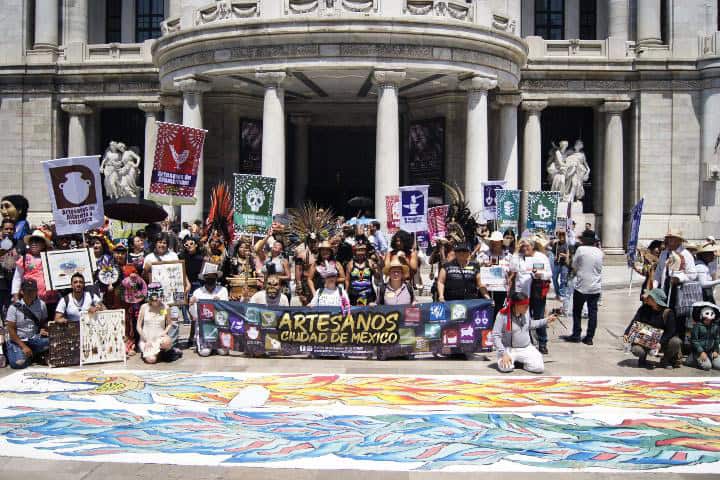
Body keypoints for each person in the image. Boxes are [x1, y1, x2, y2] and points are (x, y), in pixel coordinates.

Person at [492, 292, 558, 374]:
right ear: (516, 305)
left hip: (526, 347)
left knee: (539, 368)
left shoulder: (525, 312)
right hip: (508, 349)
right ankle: (512, 361)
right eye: (525, 306)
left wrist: (546, 320)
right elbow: (495, 336)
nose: (527, 308)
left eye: (527, 306)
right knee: (505, 368)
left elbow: (530, 324)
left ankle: (520, 364)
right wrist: (503, 353)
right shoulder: (502, 315)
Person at [509, 237, 552, 354]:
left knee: (538, 317)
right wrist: (516, 252)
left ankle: (542, 342)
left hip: (538, 291)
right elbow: (512, 268)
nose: (525, 248)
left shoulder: (541, 257)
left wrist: (540, 275)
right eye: (523, 246)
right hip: (523, 292)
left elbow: (549, 274)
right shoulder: (519, 257)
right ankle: (528, 342)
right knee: (524, 318)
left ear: (533, 246)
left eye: (527, 246)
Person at [653, 228, 698, 338]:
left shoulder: (686, 255)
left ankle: (677, 343)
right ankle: (664, 341)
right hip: (665, 288)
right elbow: (659, 272)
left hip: (679, 291)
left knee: (678, 317)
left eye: (672, 239)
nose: (669, 241)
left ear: (679, 241)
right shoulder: (664, 254)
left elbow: (693, 274)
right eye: (668, 239)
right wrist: (654, 287)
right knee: (664, 314)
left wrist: (679, 278)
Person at [624, 288, 682, 369]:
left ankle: (665, 360)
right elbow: (634, 322)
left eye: (650, 297)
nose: (647, 298)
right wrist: (626, 335)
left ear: (655, 300)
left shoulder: (668, 313)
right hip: (644, 339)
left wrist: (660, 343)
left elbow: (671, 331)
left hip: (661, 341)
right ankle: (642, 358)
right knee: (636, 350)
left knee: (676, 341)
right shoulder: (644, 308)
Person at [563, 230, 603, 346]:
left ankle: (576, 334)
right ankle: (589, 337)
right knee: (593, 313)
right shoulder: (599, 252)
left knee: (577, 311)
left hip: (582, 286)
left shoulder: (581, 250)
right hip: (595, 286)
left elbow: (574, 265)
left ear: (584, 240)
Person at [11, 230, 58, 317]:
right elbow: (17, 278)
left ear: (43, 244)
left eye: (37, 241)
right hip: (31, 300)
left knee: (50, 325)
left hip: (51, 300)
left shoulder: (51, 258)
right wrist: (15, 296)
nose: (33, 243)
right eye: (31, 241)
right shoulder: (24, 259)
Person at [5, 278, 49, 369]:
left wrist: (43, 329)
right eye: (28, 291)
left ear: (36, 291)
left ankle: (32, 355)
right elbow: (11, 331)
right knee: (19, 363)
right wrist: (24, 346)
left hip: (34, 339)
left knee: (52, 342)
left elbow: (43, 322)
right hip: (19, 341)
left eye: (33, 290)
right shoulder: (13, 308)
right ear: (22, 291)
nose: (30, 293)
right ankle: (31, 356)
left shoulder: (42, 305)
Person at [136, 283, 180, 364]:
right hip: (146, 338)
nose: (155, 301)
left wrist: (164, 333)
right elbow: (138, 326)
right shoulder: (144, 307)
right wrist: (146, 339)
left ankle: (163, 352)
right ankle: (153, 353)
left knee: (166, 342)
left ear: (161, 296)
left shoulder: (165, 307)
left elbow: (170, 323)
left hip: (159, 337)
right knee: (152, 360)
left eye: (157, 299)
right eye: (153, 299)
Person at [190, 267, 229, 356]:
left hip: (219, 326)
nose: (210, 280)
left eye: (213, 277)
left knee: (223, 352)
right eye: (208, 277)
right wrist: (191, 304)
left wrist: (220, 303)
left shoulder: (223, 290)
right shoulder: (197, 292)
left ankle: (216, 345)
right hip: (204, 328)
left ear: (216, 278)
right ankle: (204, 344)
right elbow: (195, 316)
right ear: (204, 278)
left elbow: (226, 311)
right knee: (205, 353)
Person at [685, 302, 720, 370]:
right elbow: (694, 340)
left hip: (710, 351)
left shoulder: (715, 327)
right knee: (707, 367)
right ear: (702, 317)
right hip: (698, 352)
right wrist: (701, 352)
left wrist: (716, 350)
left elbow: (717, 339)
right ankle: (692, 358)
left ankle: (709, 359)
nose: (708, 321)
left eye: (710, 320)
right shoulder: (697, 326)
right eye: (706, 319)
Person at [0, 218, 19, 313]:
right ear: (1, 230)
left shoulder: (18, 244)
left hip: (12, 284)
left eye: (11, 229)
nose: (9, 231)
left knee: (9, 311)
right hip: (1, 283)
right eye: (6, 229)